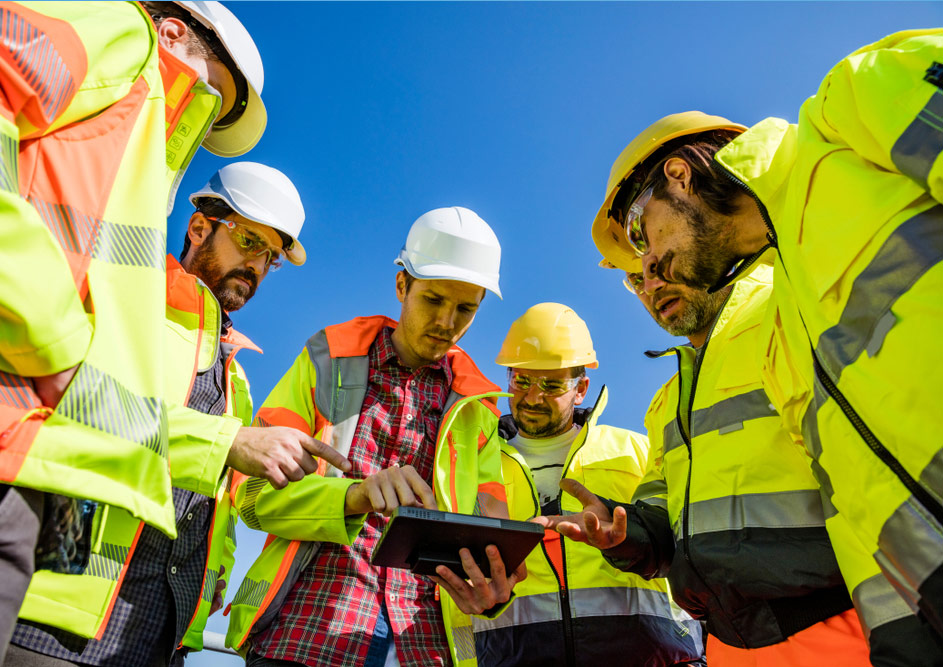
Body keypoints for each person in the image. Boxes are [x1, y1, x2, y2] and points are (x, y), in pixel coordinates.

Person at [589, 30, 943, 636]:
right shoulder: (788, 331)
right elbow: (856, 505)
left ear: (678, 175)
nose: (645, 269)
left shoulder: (851, 105)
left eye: (641, 236)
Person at [0, 1, 267, 661]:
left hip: (38, 471)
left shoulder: (226, 357)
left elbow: (108, 406)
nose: (197, 116)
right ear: (172, 30)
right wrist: (54, 339)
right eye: (209, 94)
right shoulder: (122, 31)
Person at [5, 163, 352, 667]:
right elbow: (83, 410)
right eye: (251, 242)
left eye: (271, 258)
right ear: (199, 228)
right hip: (59, 625)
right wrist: (228, 443)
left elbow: (221, 504)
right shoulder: (126, 301)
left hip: (162, 633)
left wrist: (217, 572)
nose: (257, 266)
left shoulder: (235, 376)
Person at [225, 206, 524, 667]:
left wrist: (493, 590)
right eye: (434, 300)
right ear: (402, 285)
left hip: (425, 645)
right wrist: (354, 496)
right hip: (309, 631)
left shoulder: (478, 411)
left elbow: (489, 539)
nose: (447, 322)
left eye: (466, 308)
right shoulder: (327, 358)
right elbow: (250, 496)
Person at [460, 302, 704, 666]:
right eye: (521, 380)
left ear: (581, 389)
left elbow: (689, 545)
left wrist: (627, 540)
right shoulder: (476, 466)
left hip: (655, 657)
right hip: (514, 656)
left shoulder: (634, 450)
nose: (532, 397)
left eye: (552, 384)